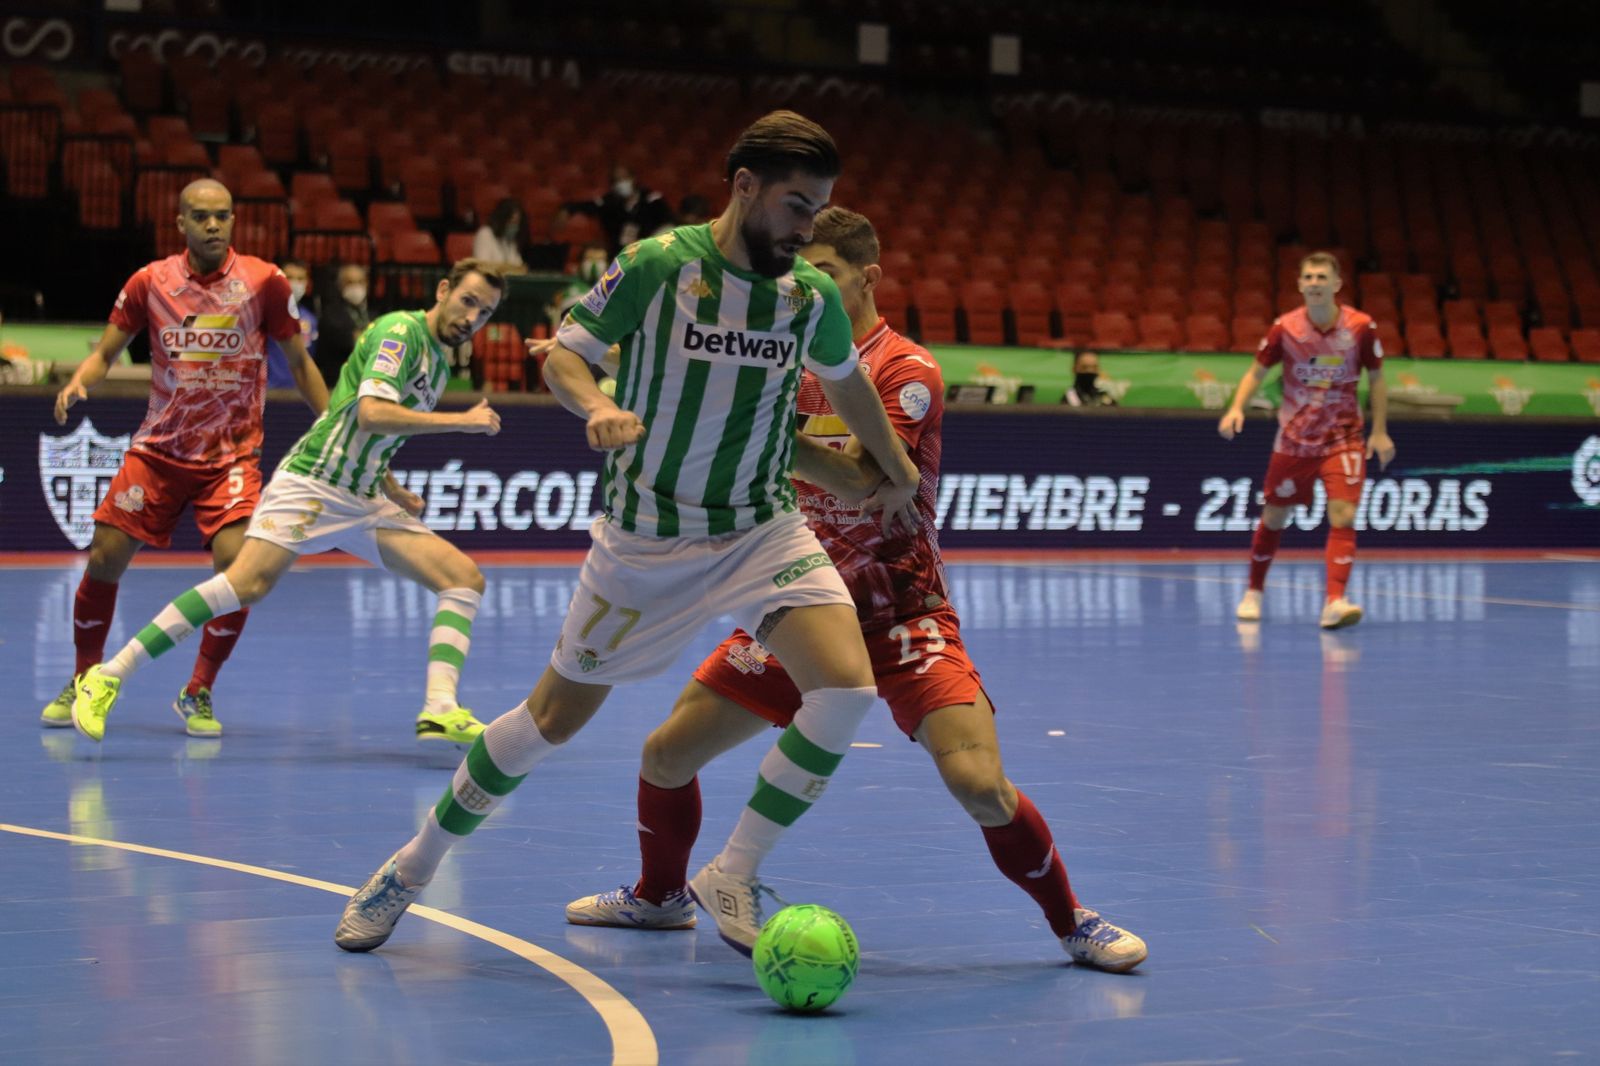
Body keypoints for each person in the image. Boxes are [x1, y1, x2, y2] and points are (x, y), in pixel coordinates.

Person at [334, 110, 922, 956]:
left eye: (820, 206)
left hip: (760, 526)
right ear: (744, 188)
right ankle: (412, 866)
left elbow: (850, 386)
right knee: (548, 721)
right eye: (796, 205)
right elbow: (564, 356)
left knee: (845, 688)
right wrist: (602, 404)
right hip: (645, 541)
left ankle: (731, 871)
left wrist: (894, 467)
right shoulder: (658, 266)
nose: (806, 226)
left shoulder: (810, 296)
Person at [561, 207, 1146, 973]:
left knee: (978, 784)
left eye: (826, 274)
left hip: (903, 614)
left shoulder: (907, 370)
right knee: (666, 753)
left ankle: (1072, 920)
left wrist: (750, 424)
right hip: (799, 605)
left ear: (866, 278)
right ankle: (660, 896)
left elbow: (875, 480)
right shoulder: (778, 351)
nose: (805, 283)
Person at [69, 259, 507, 744]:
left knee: (463, 580)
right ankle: (108, 675)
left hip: (362, 498)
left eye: (484, 313)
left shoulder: (440, 362)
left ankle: (440, 708)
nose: (472, 318)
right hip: (314, 483)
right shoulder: (400, 332)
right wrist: (458, 422)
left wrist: (391, 487)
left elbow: (358, 425)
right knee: (245, 584)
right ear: (444, 290)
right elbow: (370, 413)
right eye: (468, 301)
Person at [44, 178, 329, 737]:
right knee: (104, 556)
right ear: (181, 224)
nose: (214, 226)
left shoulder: (264, 281)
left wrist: (332, 418)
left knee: (237, 568)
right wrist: (80, 382)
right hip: (158, 451)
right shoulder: (150, 282)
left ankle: (198, 690)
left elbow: (297, 362)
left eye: (223, 215)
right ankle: (83, 679)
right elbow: (106, 351)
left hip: (231, 457)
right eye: (201, 217)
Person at [1219, 251, 1395, 629]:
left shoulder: (1361, 327)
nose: (1314, 283)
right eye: (1308, 277)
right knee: (1275, 515)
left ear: (1336, 284)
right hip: (1295, 440)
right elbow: (1256, 372)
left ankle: (1335, 600)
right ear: (1300, 285)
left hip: (1343, 436)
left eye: (1321, 277)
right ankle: (1254, 590)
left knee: (1343, 513)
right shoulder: (1285, 328)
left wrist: (1379, 430)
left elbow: (1377, 380)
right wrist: (1236, 408)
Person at [560, 163, 672, 257]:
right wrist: (567, 209)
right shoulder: (609, 202)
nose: (620, 184)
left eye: (624, 178)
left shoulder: (652, 200)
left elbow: (668, 224)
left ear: (633, 178)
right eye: (616, 180)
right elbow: (588, 206)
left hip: (647, 252)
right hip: (619, 255)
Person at [316, 262, 371, 386]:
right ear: (340, 285)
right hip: (339, 385)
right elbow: (352, 342)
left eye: (360, 282)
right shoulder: (331, 315)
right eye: (350, 282)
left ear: (366, 283)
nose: (356, 287)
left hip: (366, 384)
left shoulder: (373, 312)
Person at [266, 258, 317, 389]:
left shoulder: (310, 319)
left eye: (300, 279)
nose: (294, 283)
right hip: (269, 393)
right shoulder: (263, 314)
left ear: (307, 283)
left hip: (299, 395)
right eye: (289, 277)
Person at [546, 241, 610, 331]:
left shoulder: (617, 291)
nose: (594, 264)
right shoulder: (565, 289)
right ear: (581, 262)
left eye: (600, 260)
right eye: (589, 259)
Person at [472, 197, 528, 274]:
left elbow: (519, 267)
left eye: (516, 223)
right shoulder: (485, 234)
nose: (514, 226)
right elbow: (483, 268)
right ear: (502, 219)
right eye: (511, 222)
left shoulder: (510, 240)